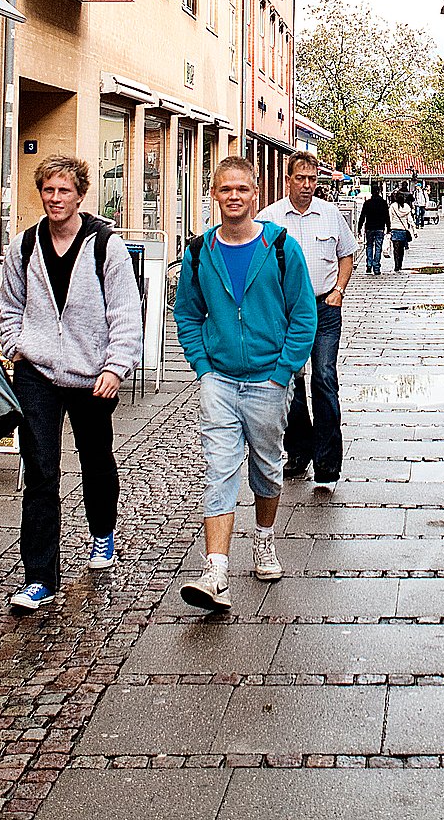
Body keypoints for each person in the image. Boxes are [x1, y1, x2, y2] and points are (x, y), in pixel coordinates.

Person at [171, 155, 317, 613]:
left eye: (242, 189)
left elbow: (304, 314)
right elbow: (188, 315)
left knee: (267, 467)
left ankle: (265, 540)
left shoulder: (280, 246)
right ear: (213, 195)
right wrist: (203, 366)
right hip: (219, 379)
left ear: (256, 195)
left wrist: (283, 371)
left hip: (268, 381)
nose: (234, 196)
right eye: (225, 189)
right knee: (219, 467)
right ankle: (215, 570)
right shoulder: (199, 253)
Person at [0, 155, 143, 611]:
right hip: (36, 371)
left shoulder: (106, 246)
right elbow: (9, 302)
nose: (55, 198)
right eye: (48, 190)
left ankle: (102, 531)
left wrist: (115, 367)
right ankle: (40, 576)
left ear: (81, 194)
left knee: (96, 459)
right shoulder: (24, 245)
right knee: (39, 468)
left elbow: (124, 311)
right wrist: (14, 344)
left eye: (64, 191)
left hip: (91, 374)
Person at [261, 153, 359, 489]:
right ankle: (299, 451)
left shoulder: (330, 215)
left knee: (325, 379)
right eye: (300, 178)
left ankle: (328, 463)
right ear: (288, 179)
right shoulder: (269, 219)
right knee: (291, 382)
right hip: (286, 313)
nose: (306, 185)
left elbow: (347, 254)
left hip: (324, 307)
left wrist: (339, 290)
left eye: (312, 179)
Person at [357, 181, 390, 276]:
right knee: (378, 247)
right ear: (379, 191)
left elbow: (362, 216)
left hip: (369, 228)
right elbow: (386, 216)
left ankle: (369, 265)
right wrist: (388, 227)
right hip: (380, 227)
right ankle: (376, 267)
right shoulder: (383, 203)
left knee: (369, 246)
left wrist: (359, 228)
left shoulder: (367, 203)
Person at [387, 188, 416, 272]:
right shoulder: (407, 207)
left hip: (394, 229)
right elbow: (410, 220)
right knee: (401, 249)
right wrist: (414, 230)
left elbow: (390, 218)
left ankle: (396, 264)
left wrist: (388, 229)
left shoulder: (392, 206)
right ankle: (400, 264)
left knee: (396, 249)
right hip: (403, 230)